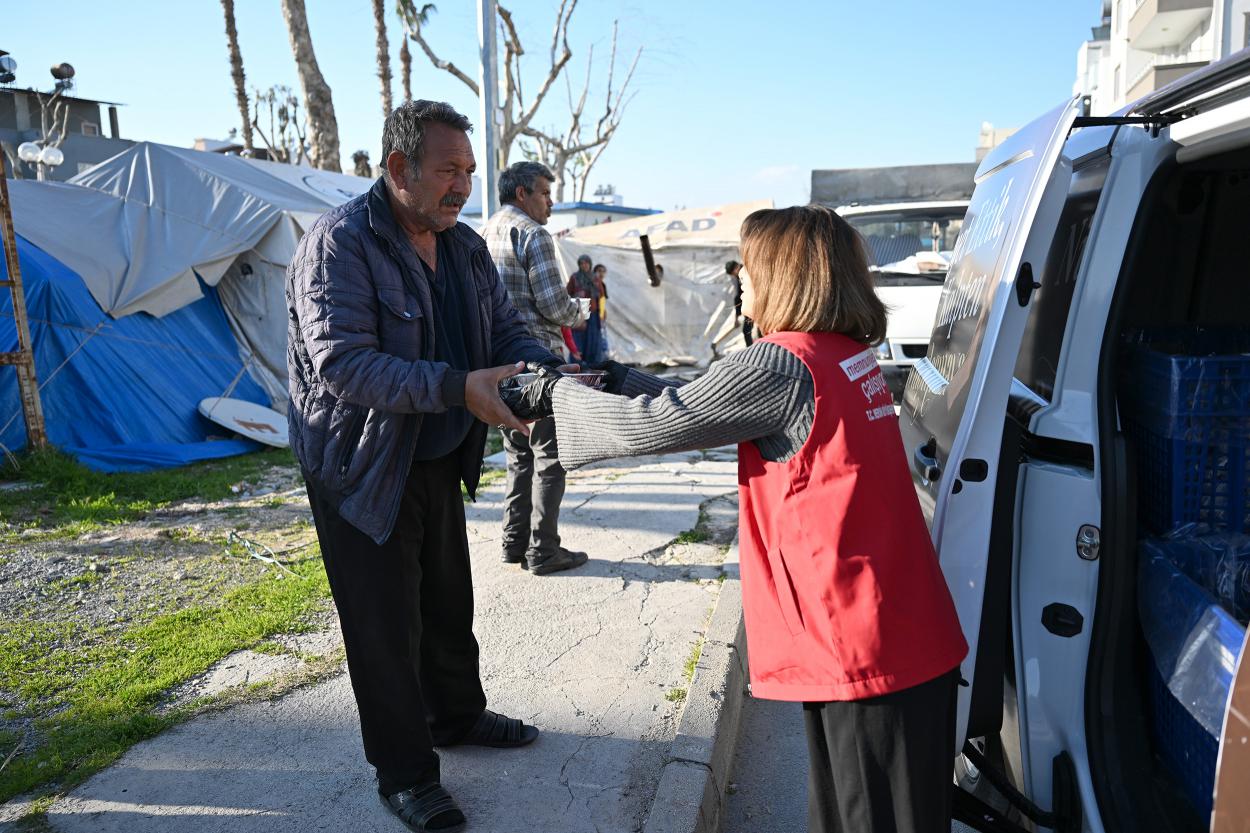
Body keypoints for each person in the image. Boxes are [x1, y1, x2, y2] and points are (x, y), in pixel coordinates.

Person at [507, 205, 968, 833]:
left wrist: (554, 395)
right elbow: (708, 407)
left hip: (862, 651)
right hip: (896, 631)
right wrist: (614, 380)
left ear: (784, 274)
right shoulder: (842, 355)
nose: (741, 279)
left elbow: (659, 424)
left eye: (747, 267)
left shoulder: (782, 363)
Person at [286, 100, 564, 832]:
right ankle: (405, 774)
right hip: (360, 463)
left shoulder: (464, 246)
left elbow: (504, 332)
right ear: (399, 168)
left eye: (468, 171)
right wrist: (456, 387)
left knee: (447, 601)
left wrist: (546, 374)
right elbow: (344, 364)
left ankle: (456, 715)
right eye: (448, 170)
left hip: (436, 452)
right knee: (385, 627)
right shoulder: (339, 242)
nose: (462, 186)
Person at [481, 161, 590, 576]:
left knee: (518, 455)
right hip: (539, 364)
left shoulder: (483, 232)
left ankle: (514, 543)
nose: (551, 203)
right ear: (522, 194)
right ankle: (543, 550)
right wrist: (581, 311)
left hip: (498, 368)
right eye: (545, 193)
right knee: (549, 455)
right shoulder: (532, 234)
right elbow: (554, 305)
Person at [566, 254, 604, 364]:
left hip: (593, 314)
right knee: (578, 340)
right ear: (579, 265)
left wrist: (602, 313)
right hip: (579, 314)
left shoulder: (595, 278)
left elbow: (601, 296)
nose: (584, 265)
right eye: (582, 263)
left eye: (586, 263)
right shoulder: (575, 278)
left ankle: (592, 366)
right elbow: (567, 295)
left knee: (593, 340)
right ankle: (577, 365)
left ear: (590, 264)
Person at [726, 259, 755, 347]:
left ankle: (752, 351)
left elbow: (741, 295)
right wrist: (737, 316)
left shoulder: (746, 273)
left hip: (755, 304)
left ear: (736, 268)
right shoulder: (741, 275)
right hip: (751, 305)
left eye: (733, 273)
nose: (734, 276)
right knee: (748, 331)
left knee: (747, 331)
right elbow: (739, 296)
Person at [592, 263, 611, 358]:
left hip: (600, 315)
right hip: (593, 315)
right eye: (599, 271)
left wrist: (603, 312)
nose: (601, 273)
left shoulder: (602, 285)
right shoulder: (592, 284)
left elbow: (602, 300)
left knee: (602, 336)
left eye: (603, 271)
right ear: (594, 272)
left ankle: (603, 357)